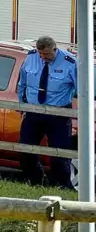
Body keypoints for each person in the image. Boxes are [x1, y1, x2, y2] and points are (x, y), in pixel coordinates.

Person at [17, 36, 78, 189]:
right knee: (26, 149)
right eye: (41, 54)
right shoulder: (31, 58)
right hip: (33, 112)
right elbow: (22, 83)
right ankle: (34, 181)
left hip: (58, 115)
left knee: (59, 154)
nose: (43, 57)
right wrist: (22, 105)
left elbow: (82, 89)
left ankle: (62, 186)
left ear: (55, 49)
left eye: (47, 54)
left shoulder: (70, 63)